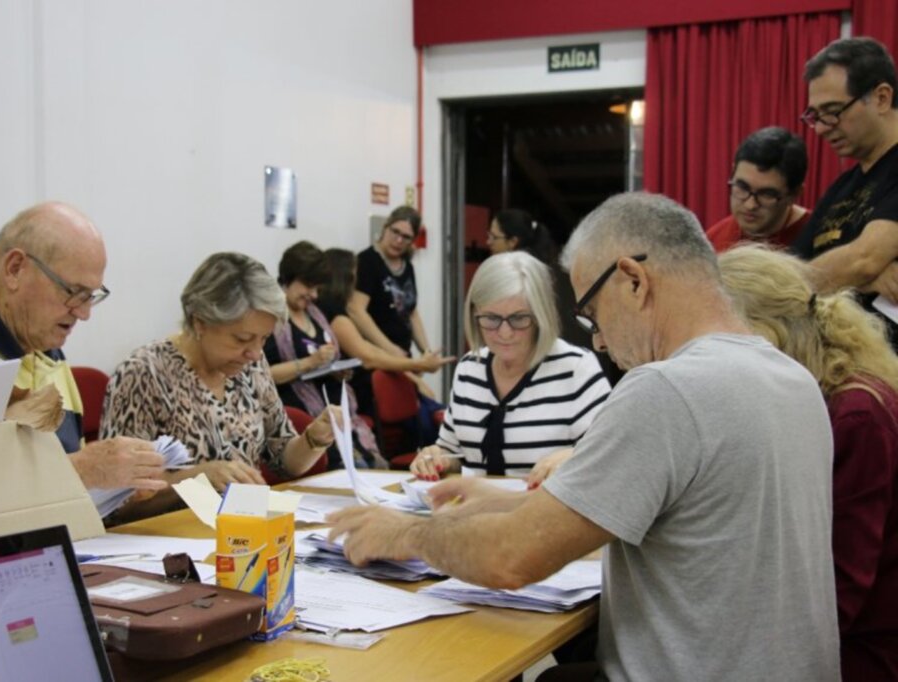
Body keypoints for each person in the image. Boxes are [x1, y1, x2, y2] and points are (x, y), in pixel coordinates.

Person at [328, 192, 840, 681]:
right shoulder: (792, 378)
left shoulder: (666, 390)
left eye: (591, 313)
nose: (596, 340)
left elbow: (511, 557)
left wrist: (405, 533)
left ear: (633, 281)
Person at [719, 244, 898, 681]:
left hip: (860, 654)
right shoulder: (833, 394)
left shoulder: (856, 414)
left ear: (766, 334)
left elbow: (839, 588)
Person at [0, 202, 167, 497]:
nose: (84, 313)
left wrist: (116, 485)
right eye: (73, 292)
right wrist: (84, 470)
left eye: (91, 296)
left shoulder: (47, 352)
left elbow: (68, 473)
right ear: (15, 269)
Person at [100, 252, 337, 521]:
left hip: (242, 533)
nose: (256, 353)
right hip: (169, 544)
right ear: (200, 321)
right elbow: (118, 504)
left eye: (264, 339)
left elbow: (284, 461)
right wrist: (196, 478)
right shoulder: (144, 374)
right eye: (243, 339)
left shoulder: (250, 367)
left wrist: (314, 439)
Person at [409, 251, 610, 482]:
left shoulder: (575, 368)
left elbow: (609, 455)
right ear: (475, 314)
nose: (504, 333)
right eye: (491, 319)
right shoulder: (469, 369)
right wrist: (437, 457)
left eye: (519, 319)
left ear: (540, 316)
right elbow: (455, 453)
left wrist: (573, 455)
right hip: (481, 510)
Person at [794, 37, 898, 345]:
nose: (823, 127)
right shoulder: (843, 186)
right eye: (815, 115)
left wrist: (853, 274)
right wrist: (861, 283)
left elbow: (864, 258)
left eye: (833, 111)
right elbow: (788, 273)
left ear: (881, 98)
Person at [263, 241, 385, 469]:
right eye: (308, 286)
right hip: (300, 417)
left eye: (317, 288)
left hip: (333, 410)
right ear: (288, 279)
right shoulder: (270, 320)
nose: (313, 294)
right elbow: (262, 375)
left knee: (371, 465)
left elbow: (323, 362)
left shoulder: (316, 315)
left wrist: (336, 370)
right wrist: (310, 362)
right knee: (350, 469)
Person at [318, 248, 454, 440]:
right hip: (357, 391)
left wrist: (414, 377)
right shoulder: (333, 313)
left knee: (428, 410)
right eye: (355, 275)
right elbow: (368, 357)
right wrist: (417, 365)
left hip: (363, 386)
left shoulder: (338, 311)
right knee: (426, 417)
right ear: (346, 277)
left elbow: (373, 351)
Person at [350, 206, 438, 360]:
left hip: (402, 355)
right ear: (385, 228)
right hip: (377, 357)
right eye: (395, 232)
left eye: (406, 237)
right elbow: (356, 311)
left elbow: (411, 312)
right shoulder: (367, 261)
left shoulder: (407, 266)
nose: (398, 240)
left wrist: (426, 352)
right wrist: (390, 349)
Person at [705, 126, 811, 252]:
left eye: (766, 194)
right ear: (732, 174)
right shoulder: (713, 241)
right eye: (743, 187)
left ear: (794, 195)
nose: (750, 205)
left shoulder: (818, 240)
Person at [486, 209, 557, 264]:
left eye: (494, 237)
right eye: (489, 235)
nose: (488, 242)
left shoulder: (517, 274)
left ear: (513, 241)